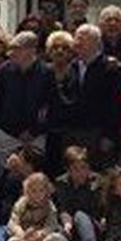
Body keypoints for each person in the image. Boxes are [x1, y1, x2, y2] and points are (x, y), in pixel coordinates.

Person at [0, 30, 50, 166]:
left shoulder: (47, 73)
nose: (11, 53)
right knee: (6, 175)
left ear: (31, 50)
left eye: (16, 49)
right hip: (7, 134)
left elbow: (50, 105)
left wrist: (34, 131)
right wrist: (2, 127)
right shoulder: (5, 70)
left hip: (36, 137)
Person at [72, 24, 121, 167]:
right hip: (75, 133)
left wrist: (109, 135)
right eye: (76, 37)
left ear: (96, 42)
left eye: (82, 38)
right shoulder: (73, 67)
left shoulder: (111, 68)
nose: (77, 42)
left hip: (99, 133)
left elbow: (116, 104)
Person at [54, 146, 104, 241]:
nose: (81, 172)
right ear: (68, 170)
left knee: (80, 214)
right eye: (75, 169)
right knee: (57, 229)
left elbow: (103, 208)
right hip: (71, 226)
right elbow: (64, 208)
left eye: (84, 168)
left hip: (93, 226)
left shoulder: (97, 182)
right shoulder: (61, 183)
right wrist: (67, 225)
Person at [5, 172, 68, 241]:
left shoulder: (49, 205)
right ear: (27, 191)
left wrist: (40, 234)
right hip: (25, 239)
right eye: (33, 191)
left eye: (41, 190)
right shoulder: (21, 204)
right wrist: (22, 234)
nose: (38, 194)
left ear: (46, 191)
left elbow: (52, 225)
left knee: (57, 238)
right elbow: (13, 222)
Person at [42, 30, 83, 168]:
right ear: (48, 51)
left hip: (71, 132)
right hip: (45, 132)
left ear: (71, 52)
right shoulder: (41, 72)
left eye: (65, 48)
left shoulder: (77, 72)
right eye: (55, 47)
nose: (60, 51)